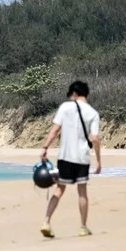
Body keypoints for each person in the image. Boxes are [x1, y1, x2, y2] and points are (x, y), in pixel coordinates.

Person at [39, 80, 101, 238]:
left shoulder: (65, 107)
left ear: (74, 93)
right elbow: (95, 139)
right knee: (82, 192)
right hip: (82, 157)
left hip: (65, 156)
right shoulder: (93, 113)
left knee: (59, 190)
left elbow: (55, 130)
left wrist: (45, 147)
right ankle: (83, 227)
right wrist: (98, 161)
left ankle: (46, 222)